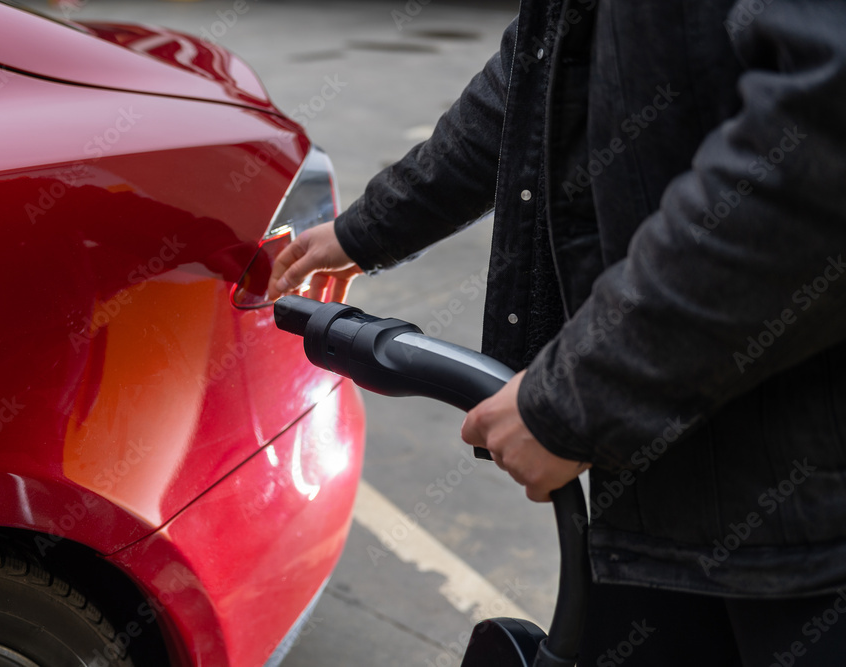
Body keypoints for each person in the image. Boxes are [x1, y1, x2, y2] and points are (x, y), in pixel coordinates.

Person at [268, 0, 846, 664]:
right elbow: (534, 73)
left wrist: (579, 401)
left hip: (810, 534)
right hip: (660, 501)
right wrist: (365, 230)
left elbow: (818, 155)